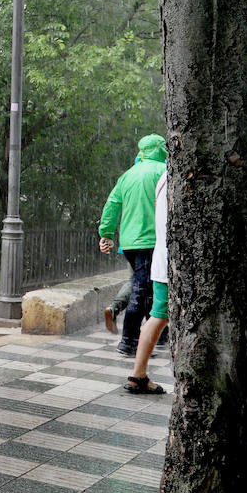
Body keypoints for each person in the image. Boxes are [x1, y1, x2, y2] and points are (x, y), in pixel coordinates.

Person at [97, 134, 167, 356]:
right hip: (151, 241)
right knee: (143, 291)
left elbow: (111, 205)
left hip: (129, 243)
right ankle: (129, 341)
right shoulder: (164, 173)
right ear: (161, 149)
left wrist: (106, 234)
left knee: (144, 288)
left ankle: (158, 336)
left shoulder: (128, 175)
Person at [126, 170, 171, 394]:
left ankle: (139, 374)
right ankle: (138, 373)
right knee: (159, 316)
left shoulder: (164, 177)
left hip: (163, 258)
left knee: (158, 316)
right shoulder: (172, 176)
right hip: (170, 262)